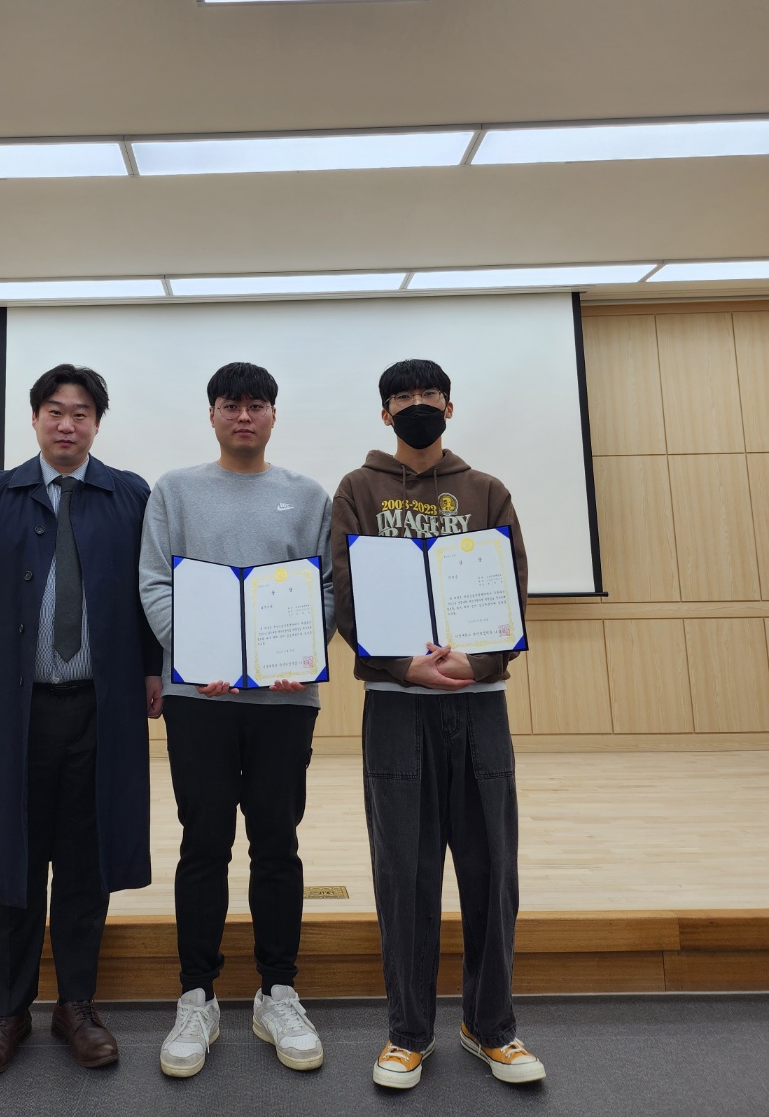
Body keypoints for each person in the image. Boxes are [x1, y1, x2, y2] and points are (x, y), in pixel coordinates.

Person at [0, 363, 163, 1078]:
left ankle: (77, 1007)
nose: (67, 424)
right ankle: (6, 1014)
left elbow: (152, 592)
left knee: (87, 863)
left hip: (102, 709)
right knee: (13, 863)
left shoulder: (130, 496)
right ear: (33, 419)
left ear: (97, 424)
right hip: (14, 712)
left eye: (81, 413)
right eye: (55, 411)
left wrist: (155, 667)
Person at [331, 358, 546, 1091]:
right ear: (385, 413)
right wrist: (402, 666)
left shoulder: (485, 490)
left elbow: (512, 588)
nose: (417, 404)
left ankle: (492, 1027)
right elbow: (345, 592)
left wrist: (476, 662)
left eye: (429, 394)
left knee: (491, 872)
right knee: (405, 874)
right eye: (403, 397)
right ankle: (407, 1034)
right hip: (397, 708)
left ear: (449, 407)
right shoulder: (358, 490)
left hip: (479, 706)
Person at [139, 361, 334, 1078]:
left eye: (256, 405)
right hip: (200, 700)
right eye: (230, 405)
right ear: (213, 415)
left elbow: (327, 587)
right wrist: (194, 657)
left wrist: (304, 652)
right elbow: (154, 582)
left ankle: (278, 991)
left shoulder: (307, 496)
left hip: (285, 700)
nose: (243, 416)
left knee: (277, 843)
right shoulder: (175, 490)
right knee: (204, 843)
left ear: (273, 415)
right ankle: (197, 996)